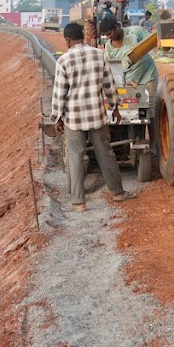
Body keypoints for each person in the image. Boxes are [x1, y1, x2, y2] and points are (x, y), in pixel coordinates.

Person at [52, 21, 134, 211]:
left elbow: (59, 93)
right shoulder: (99, 55)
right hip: (97, 115)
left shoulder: (63, 61)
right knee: (106, 154)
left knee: (76, 158)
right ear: (82, 35)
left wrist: (56, 117)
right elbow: (109, 84)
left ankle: (79, 202)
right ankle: (118, 193)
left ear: (67, 40)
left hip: (74, 119)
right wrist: (115, 107)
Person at [101, 19, 158, 86]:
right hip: (129, 83)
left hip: (148, 76)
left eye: (110, 33)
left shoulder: (135, 31)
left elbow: (153, 41)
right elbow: (113, 68)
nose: (109, 37)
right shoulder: (108, 47)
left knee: (149, 96)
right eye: (106, 35)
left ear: (116, 27)